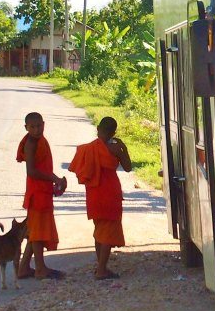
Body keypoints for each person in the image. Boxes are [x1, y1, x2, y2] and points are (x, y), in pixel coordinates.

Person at [69, 117, 132, 280]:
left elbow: (78, 169)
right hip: (110, 193)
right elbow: (128, 167)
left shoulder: (88, 149)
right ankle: (102, 269)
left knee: (99, 231)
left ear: (98, 128)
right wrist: (123, 148)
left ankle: (101, 266)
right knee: (108, 233)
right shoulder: (116, 148)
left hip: (94, 193)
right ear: (114, 132)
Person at [17, 112, 66, 280]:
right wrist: (54, 178)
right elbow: (31, 171)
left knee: (34, 230)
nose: (37, 130)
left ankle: (24, 268)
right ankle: (40, 269)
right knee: (37, 232)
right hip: (36, 192)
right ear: (26, 128)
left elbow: (42, 167)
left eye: (39, 126)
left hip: (42, 190)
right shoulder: (30, 143)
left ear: (44, 124)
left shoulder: (40, 141)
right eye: (32, 127)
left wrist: (54, 181)